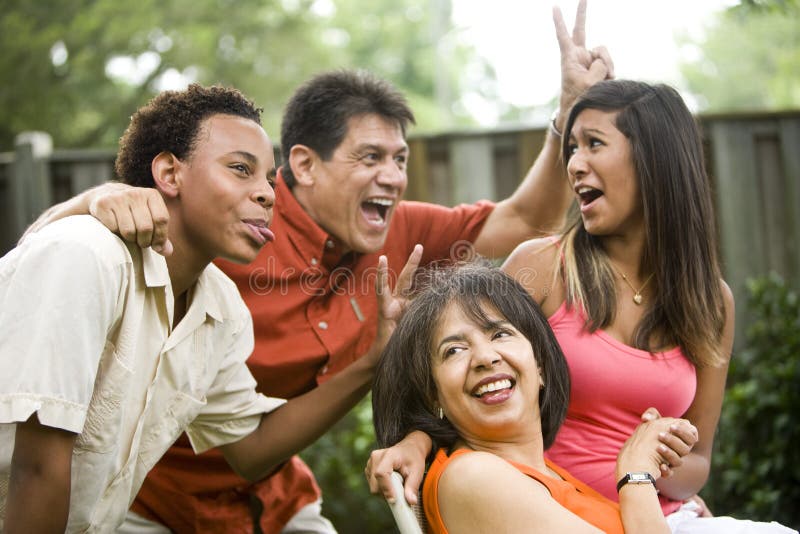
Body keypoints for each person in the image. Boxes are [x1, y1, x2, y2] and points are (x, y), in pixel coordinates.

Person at [22, 2, 613, 530]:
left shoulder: (393, 232)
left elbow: (526, 218)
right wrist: (93, 199)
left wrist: (567, 115)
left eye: (400, 159)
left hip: (274, 499)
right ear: (303, 165)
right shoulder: (226, 237)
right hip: (150, 507)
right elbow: (51, 259)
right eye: (371, 156)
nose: (394, 176)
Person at [366, 80, 799, 533]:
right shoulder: (542, 266)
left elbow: (698, 460)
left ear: (656, 159)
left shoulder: (712, 301)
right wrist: (416, 441)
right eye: (571, 148)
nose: (574, 164)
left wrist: (654, 464)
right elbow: (470, 377)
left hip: (655, 518)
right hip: (554, 514)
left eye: (594, 144)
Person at [0, 84, 420, 532]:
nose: (267, 195)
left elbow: (253, 449)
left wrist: (373, 361)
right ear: (169, 172)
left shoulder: (219, 308)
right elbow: (35, 471)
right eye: (241, 169)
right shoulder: (89, 257)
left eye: (268, 180)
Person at [372, 262, 702, 533]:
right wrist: (636, 474)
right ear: (433, 395)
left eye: (500, 333)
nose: (485, 357)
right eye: (454, 350)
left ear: (539, 365)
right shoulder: (473, 477)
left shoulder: (544, 474)